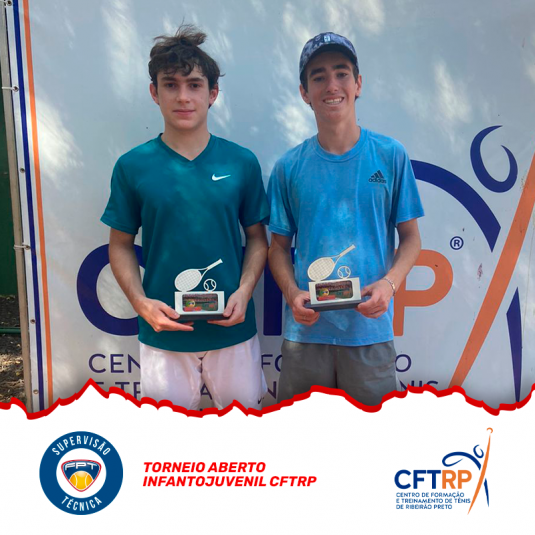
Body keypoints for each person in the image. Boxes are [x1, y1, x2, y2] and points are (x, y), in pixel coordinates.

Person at [101, 25, 269, 410]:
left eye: (194, 85)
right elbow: (120, 245)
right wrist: (141, 303)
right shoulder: (132, 166)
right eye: (171, 85)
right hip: (164, 333)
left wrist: (244, 292)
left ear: (212, 94)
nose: (183, 97)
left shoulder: (241, 162)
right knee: (168, 440)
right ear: (154, 92)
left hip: (232, 331)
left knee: (244, 436)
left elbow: (258, 239)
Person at [267, 32, 424, 406]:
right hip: (307, 337)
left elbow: (412, 239)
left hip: (369, 333)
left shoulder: (390, 155)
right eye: (318, 76)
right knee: (301, 438)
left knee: (373, 440)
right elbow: (277, 248)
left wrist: (388, 284)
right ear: (305, 92)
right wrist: (291, 293)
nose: (332, 85)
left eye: (341, 73)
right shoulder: (288, 167)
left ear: (358, 84)